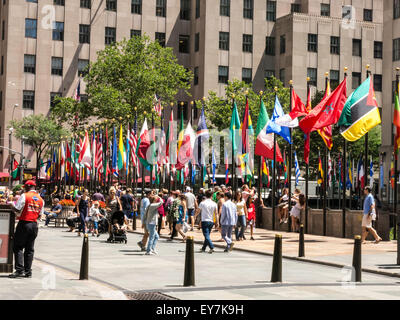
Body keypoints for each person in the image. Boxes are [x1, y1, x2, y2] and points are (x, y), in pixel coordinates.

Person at [9, 180, 44, 278]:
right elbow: (40, 215)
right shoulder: (41, 199)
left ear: (28, 187)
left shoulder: (25, 196)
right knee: (29, 249)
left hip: (24, 223)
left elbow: (18, 209)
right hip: (34, 225)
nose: (24, 188)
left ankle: (19, 270)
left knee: (18, 246)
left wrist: (11, 205)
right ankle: (28, 271)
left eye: (25, 187)